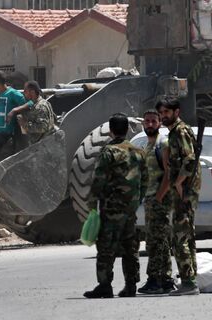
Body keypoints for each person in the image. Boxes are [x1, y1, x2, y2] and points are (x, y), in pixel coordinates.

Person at [84, 113, 147, 299]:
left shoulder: (108, 152)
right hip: (130, 209)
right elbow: (145, 182)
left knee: (106, 247)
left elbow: (98, 181)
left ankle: (104, 285)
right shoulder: (139, 152)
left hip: (111, 208)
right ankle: (130, 285)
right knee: (130, 247)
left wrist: (92, 205)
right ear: (127, 129)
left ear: (110, 131)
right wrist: (136, 200)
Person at [156, 96, 201, 296]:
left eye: (166, 112)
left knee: (180, 237)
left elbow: (190, 159)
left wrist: (178, 183)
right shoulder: (175, 132)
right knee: (187, 236)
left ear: (176, 112)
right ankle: (191, 279)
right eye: (161, 113)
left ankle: (189, 282)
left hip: (185, 190)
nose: (163, 116)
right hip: (184, 190)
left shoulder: (180, 131)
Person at [137, 109, 175, 295]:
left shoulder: (163, 143)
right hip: (150, 199)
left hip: (160, 199)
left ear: (159, 123)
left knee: (155, 241)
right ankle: (166, 279)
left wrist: (160, 196)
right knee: (159, 240)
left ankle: (153, 279)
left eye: (153, 121)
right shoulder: (147, 146)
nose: (150, 124)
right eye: (147, 121)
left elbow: (169, 173)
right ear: (143, 124)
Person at [6, 80, 56, 145]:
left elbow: (43, 127)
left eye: (25, 91)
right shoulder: (41, 103)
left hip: (43, 145)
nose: (24, 93)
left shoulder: (40, 106)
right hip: (42, 143)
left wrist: (25, 124)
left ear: (32, 92)